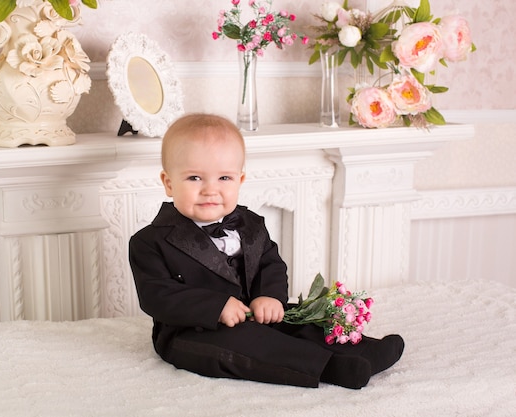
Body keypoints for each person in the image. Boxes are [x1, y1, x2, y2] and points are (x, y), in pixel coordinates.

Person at [129, 113, 404, 389]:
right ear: (168, 183)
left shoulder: (250, 224)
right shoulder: (149, 242)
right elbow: (158, 296)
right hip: (192, 331)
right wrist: (215, 308)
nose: (210, 190)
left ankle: (362, 349)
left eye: (224, 177)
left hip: (254, 310)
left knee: (298, 320)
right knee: (246, 345)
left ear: (241, 179)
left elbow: (270, 264)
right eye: (194, 178)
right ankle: (329, 367)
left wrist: (269, 296)